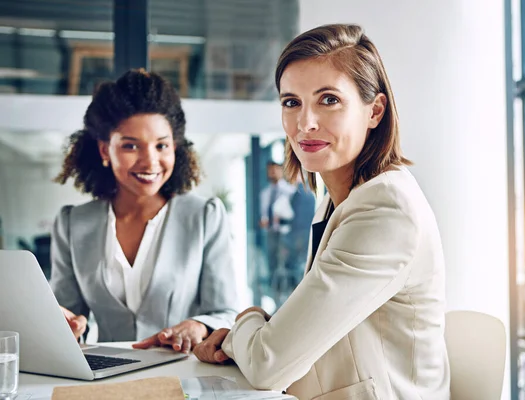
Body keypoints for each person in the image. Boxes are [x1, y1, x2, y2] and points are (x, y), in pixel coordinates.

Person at [194, 24, 450, 399]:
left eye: (328, 100)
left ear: (375, 111)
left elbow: (268, 364)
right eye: (291, 102)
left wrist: (246, 320)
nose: (305, 123)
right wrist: (247, 340)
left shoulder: (385, 209)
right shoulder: (340, 198)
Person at [51, 69, 238, 353]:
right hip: (106, 378)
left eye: (161, 145)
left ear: (175, 148)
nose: (150, 161)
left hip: (184, 375)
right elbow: (67, 316)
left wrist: (199, 326)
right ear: (105, 150)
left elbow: (226, 312)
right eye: (130, 146)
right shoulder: (72, 223)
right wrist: (67, 327)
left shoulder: (204, 216)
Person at [258, 160, 295, 294]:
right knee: (272, 261)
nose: (272, 173)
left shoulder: (290, 191)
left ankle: (289, 288)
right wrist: (264, 220)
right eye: (270, 170)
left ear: (281, 171)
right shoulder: (265, 193)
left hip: (286, 233)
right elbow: (264, 212)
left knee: (286, 261)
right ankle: (275, 290)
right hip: (271, 232)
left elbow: (292, 213)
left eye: (275, 169)